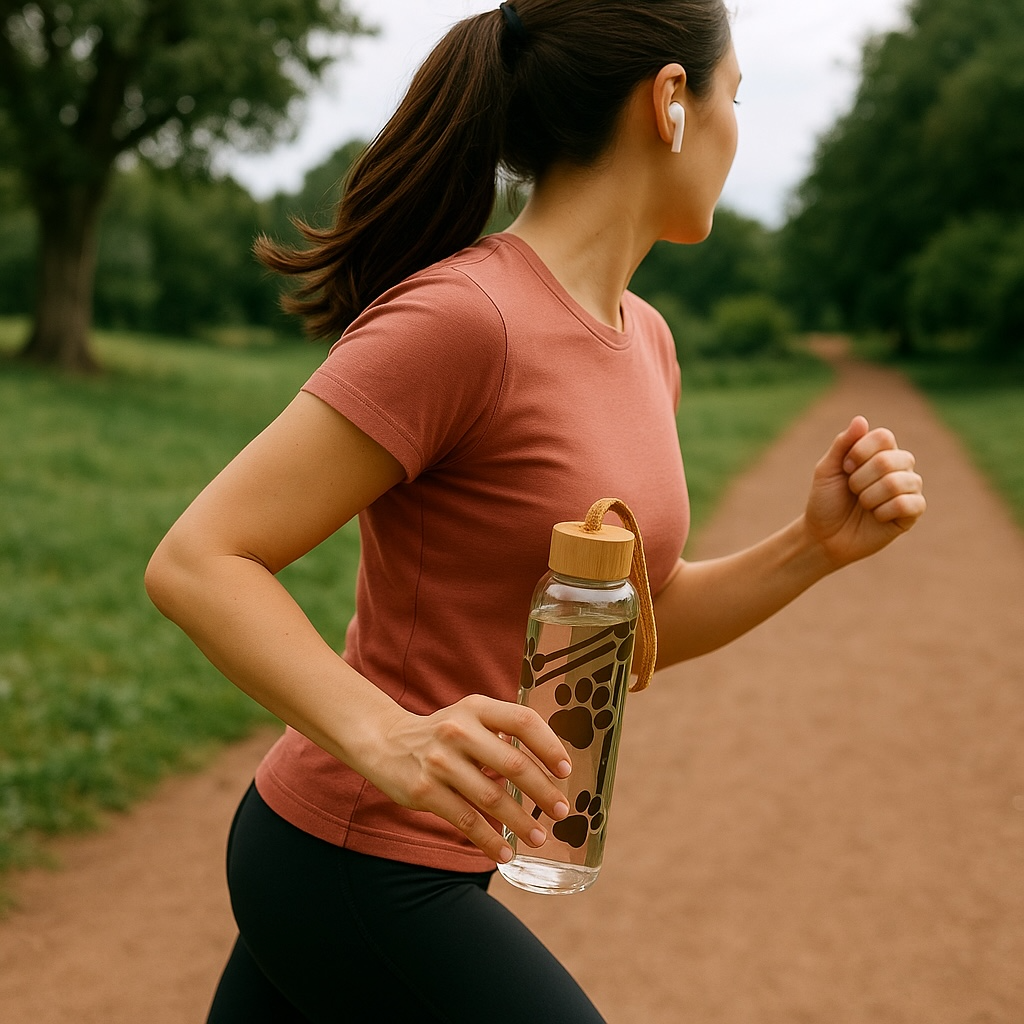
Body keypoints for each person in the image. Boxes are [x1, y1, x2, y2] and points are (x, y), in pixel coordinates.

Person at [145, 2, 927, 1021]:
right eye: (735, 96)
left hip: (420, 864)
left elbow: (629, 622)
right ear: (671, 101)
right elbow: (201, 558)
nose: (739, 132)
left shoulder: (646, 341)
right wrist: (388, 737)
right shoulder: (465, 318)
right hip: (350, 860)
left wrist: (813, 547)